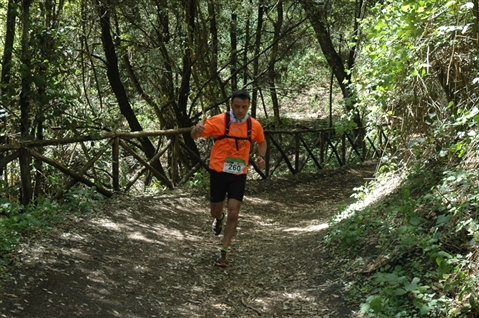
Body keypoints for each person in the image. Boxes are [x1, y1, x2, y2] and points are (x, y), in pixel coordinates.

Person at [191, 90, 267, 267]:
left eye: (244, 107)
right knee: (216, 211)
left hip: (239, 173)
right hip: (218, 171)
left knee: (234, 212)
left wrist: (261, 156)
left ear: (248, 107)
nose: (240, 110)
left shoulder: (254, 125)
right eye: (237, 106)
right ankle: (218, 218)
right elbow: (194, 135)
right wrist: (196, 130)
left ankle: (223, 252)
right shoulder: (218, 121)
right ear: (231, 105)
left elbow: (261, 141)